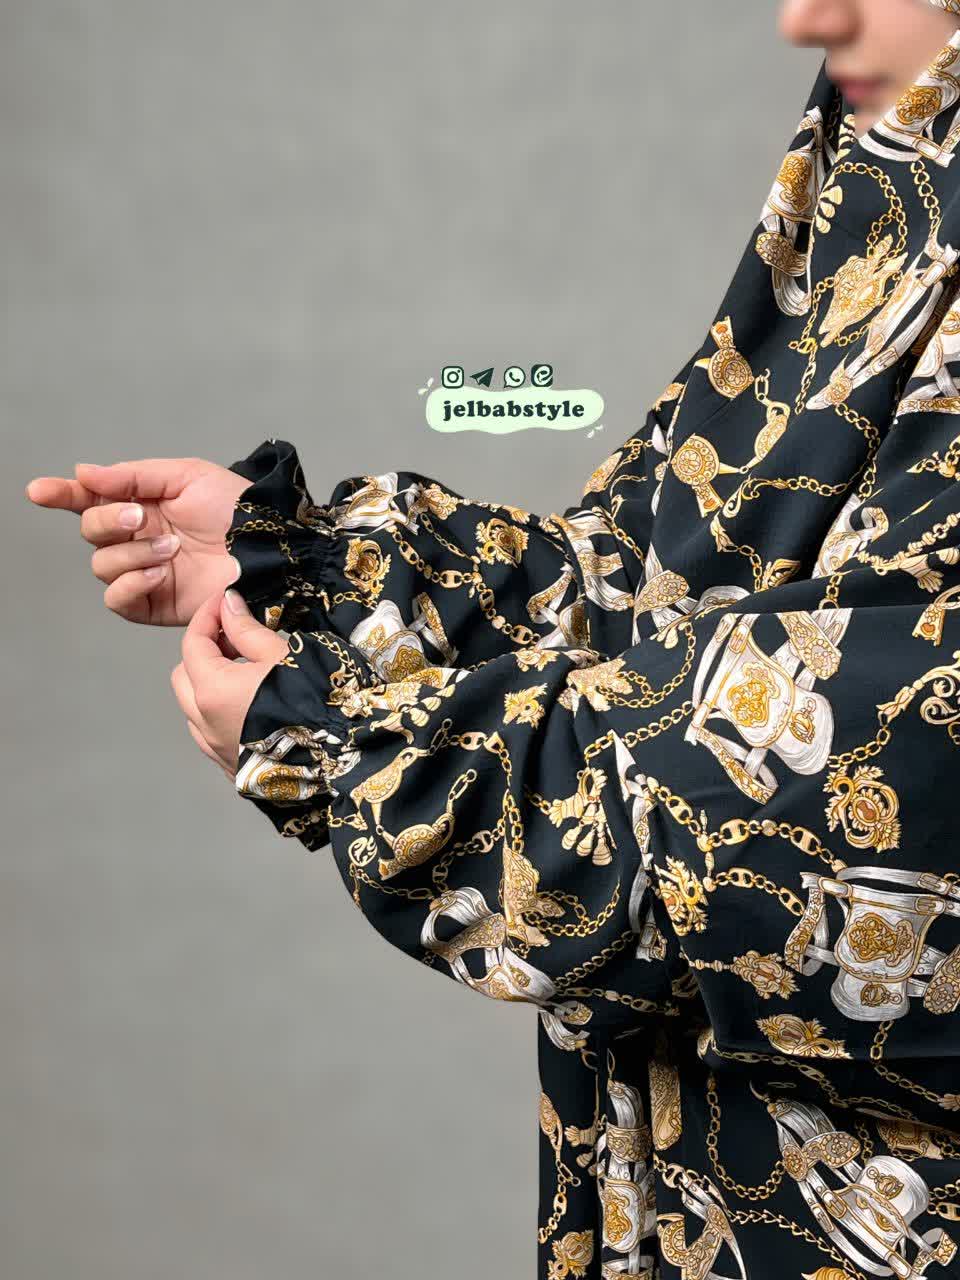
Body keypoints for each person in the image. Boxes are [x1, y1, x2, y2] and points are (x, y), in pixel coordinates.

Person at [25, 2, 960, 1275]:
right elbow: (677, 583)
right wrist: (313, 564)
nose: (809, 17)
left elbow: (855, 793)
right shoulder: (899, 148)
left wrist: (350, 752)